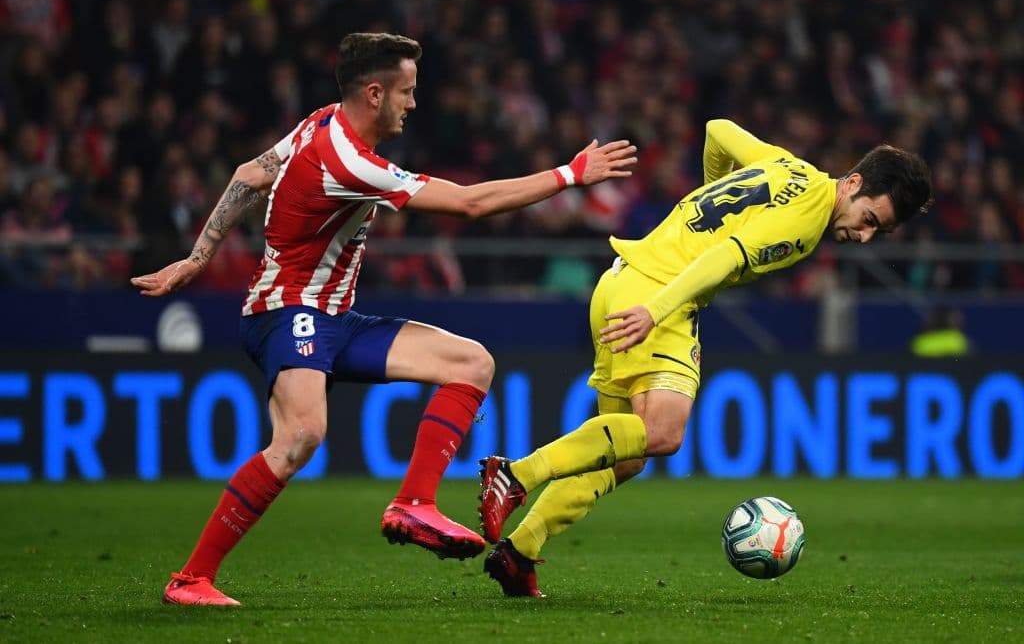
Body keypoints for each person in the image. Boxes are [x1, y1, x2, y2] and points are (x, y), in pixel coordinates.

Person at [130, 32, 637, 607]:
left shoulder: (321, 121)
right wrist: (569, 174)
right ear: (374, 93)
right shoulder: (349, 162)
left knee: (471, 363)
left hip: (333, 319)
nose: (413, 103)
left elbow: (251, 173)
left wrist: (197, 259)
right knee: (300, 436)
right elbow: (469, 204)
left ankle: (414, 503)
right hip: (286, 312)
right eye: (407, 91)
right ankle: (191, 580)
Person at [477, 118, 933, 597]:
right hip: (657, 297)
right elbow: (727, 257)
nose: (864, 236)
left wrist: (710, 195)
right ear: (854, 183)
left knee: (624, 457)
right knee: (662, 432)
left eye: (877, 232)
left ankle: (520, 552)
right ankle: (515, 474)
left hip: (619, 281)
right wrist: (656, 311)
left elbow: (717, 131)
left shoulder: (789, 166)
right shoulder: (807, 219)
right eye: (869, 220)